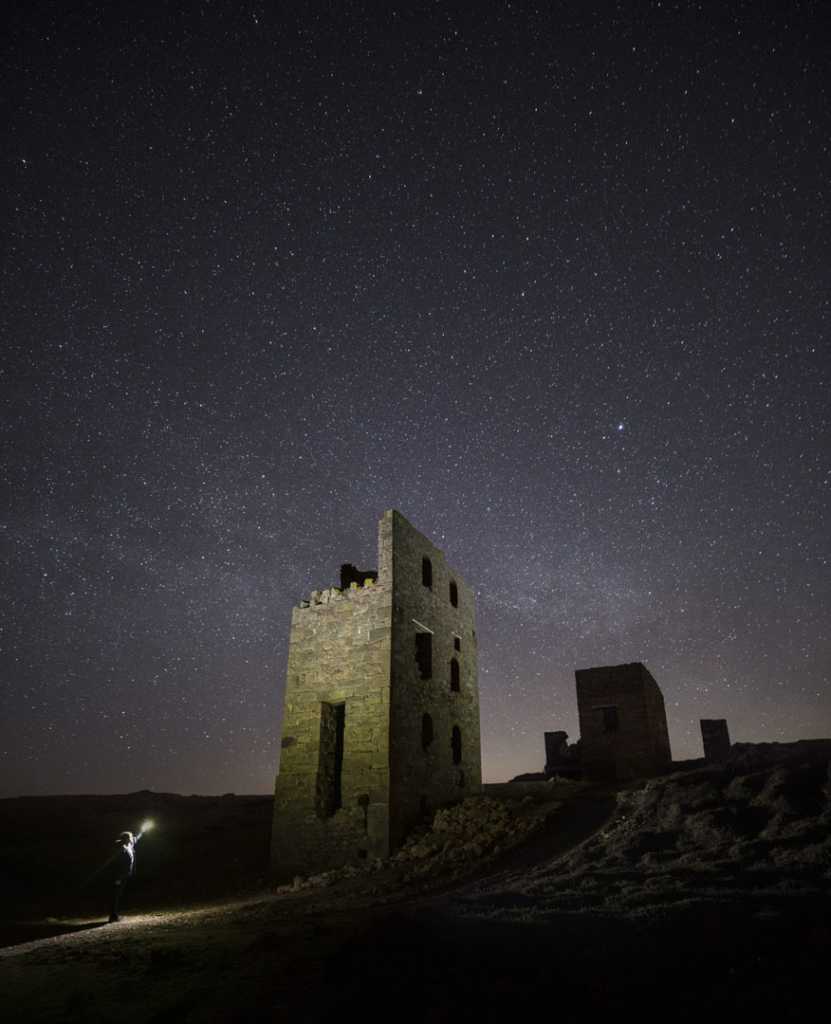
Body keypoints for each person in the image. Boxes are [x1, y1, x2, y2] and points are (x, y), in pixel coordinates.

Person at [108, 828, 145, 923]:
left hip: (126, 874)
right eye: (130, 837)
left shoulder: (130, 844)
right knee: (115, 895)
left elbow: (137, 837)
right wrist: (118, 878)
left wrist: (144, 829)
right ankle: (113, 916)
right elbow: (116, 864)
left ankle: (116, 914)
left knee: (119, 894)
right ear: (126, 839)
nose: (132, 838)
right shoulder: (121, 848)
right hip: (119, 876)